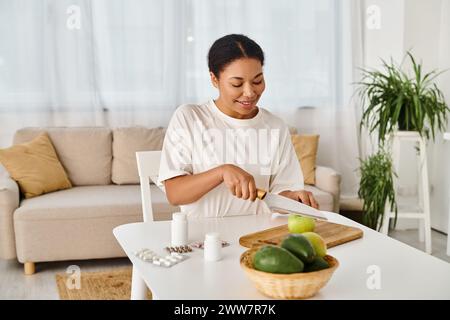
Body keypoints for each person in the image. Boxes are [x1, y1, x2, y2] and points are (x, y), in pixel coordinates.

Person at [158, 34, 318, 218]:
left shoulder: (275, 126)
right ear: (214, 79)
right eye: (237, 83)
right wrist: (222, 172)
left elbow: (279, 195)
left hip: (258, 237)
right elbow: (175, 194)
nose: (249, 92)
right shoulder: (190, 117)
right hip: (203, 239)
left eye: (257, 81)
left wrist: (293, 198)